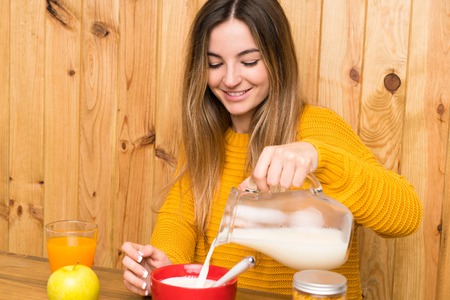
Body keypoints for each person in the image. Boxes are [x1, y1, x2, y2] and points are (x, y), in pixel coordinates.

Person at [121, 0, 423, 299]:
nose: (229, 79)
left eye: (249, 61)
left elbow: (407, 215)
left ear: (277, 60)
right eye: (214, 63)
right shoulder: (207, 140)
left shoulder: (317, 129)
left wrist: (319, 158)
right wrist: (163, 267)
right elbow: (180, 219)